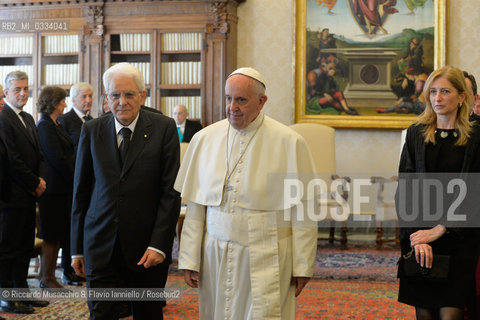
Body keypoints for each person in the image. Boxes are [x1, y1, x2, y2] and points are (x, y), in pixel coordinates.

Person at [175, 67, 318, 319]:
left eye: (241, 100)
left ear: (261, 102)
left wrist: (303, 264)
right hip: (215, 253)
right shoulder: (204, 139)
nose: (232, 107)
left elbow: (303, 209)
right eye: (228, 99)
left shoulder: (289, 142)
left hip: (267, 252)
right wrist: (188, 258)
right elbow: (196, 207)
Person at [71, 62, 180, 320]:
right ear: (106, 98)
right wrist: (77, 247)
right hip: (99, 245)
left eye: (129, 94)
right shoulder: (91, 130)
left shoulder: (163, 129)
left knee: (147, 314)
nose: (122, 102)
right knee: (101, 314)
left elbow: (170, 193)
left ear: (142, 96)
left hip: (146, 251)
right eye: (115, 95)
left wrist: (159, 245)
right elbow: (81, 192)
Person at [396, 66, 480, 320]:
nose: (438, 98)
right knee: (426, 315)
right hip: (421, 235)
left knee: (450, 315)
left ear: (462, 97)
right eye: (433, 91)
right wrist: (418, 237)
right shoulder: (416, 134)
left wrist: (442, 229)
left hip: (460, 238)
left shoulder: (476, 136)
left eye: (445, 91)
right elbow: (407, 190)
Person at [0, 71, 49, 314]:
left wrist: (40, 180)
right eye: (17, 89)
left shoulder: (29, 118)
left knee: (24, 247)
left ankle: (22, 291)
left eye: (25, 88)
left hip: (30, 195)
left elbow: (39, 154)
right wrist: (33, 182)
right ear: (6, 92)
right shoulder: (3, 117)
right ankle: (7, 297)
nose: (22, 93)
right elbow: (12, 159)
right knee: (9, 248)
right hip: (11, 195)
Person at [36, 86, 75, 289]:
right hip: (53, 189)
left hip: (62, 188)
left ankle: (50, 276)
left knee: (58, 233)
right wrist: (74, 176)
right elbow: (55, 158)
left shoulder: (56, 124)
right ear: (53, 102)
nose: (64, 104)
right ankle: (46, 278)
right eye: (62, 101)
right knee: (51, 234)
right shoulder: (44, 126)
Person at [58, 82, 93, 154]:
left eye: (90, 96)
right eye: (84, 97)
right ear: (73, 100)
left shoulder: (92, 120)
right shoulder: (64, 120)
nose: (88, 100)